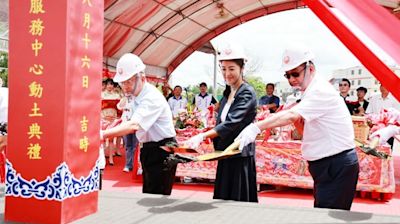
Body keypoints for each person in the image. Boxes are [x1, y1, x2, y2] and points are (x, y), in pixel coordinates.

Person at [237, 44, 359, 210]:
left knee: (328, 219)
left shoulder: (320, 90)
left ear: (311, 68)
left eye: (295, 73)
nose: (292, 79)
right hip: (326, 165)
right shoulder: (309, 91)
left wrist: (256, 127)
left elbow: (292, 116)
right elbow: (305, 131)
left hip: (335, 164)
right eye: (287, 75)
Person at [185, 42, 258, 202]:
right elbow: (221, 121)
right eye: (223, 69)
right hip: (225, 153)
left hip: (238, 154)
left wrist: (203, 136)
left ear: (241, 69)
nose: (227, 73)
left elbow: (231, 123)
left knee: (238, 202)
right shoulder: (227, 92)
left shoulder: (246, 93)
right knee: (222, 200)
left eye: (231, 69)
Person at [101, 53, 177, 195]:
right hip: (149, 148)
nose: (125, 87)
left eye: (128, 82)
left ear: (142, 78)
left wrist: (102, 134)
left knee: (157, 198)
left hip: (162, 150)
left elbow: (133, 125)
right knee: (149, 193)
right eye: (122, 83)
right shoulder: (134, 96)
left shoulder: (151, 97)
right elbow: (127, 119)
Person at [117, 95, 138, 173]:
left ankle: (136, 165)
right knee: (128, 145)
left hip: (136, 124)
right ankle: (128, 165)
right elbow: (119, 106)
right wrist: (124, 98)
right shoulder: (125, 99)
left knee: (136, 146)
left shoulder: (139, 99)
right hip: (125, 124)